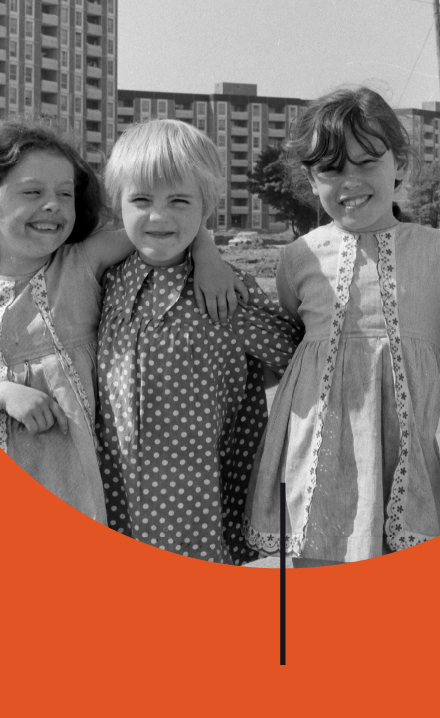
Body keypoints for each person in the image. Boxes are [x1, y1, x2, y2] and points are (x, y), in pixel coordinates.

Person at [0, 123, 239, 522]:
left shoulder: (83, 264)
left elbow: (158, 228)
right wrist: (3, 394)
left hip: (79, 491)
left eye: (64, 193)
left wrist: (207, 252)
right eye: (32, 192)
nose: (53, 204)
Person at [246, 87, 440, 564]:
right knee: (316, 564)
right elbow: (296, 339)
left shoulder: (439, 249)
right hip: (316, 450)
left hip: (403, 445)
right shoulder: (298, 256)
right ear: (311, 181)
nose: (350, 180)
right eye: (331, 169)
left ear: (400, 165)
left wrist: (420, 346)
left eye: (367, 161)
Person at [95, 120, 302, 564]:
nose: (159, 216)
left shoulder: (225, 291)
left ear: (206, 205)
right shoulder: (104, 283)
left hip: (196, 504)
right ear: (118, 205)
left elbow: (295, 356)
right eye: (141, 200)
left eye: (179, 201)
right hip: (116, 497)